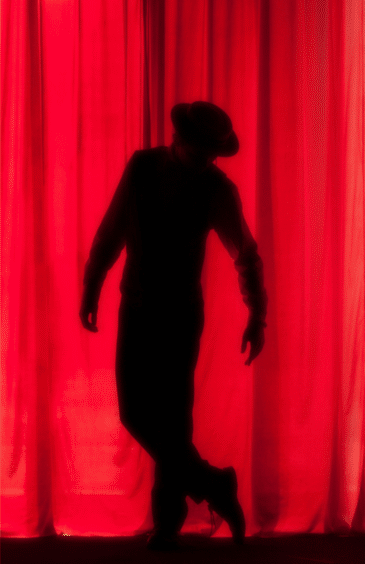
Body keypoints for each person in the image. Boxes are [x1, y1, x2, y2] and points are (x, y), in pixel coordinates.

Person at [80, 101, 267, 551]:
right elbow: (112, 229)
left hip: (181, 313)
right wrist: (92, 283)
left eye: (212, 153)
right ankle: (213, 484)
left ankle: (168, 522)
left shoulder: (216, 189)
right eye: (201, 150)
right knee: (136, 413)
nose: (207, 159)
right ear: (179, 139)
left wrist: (256, 314)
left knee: (173, 420)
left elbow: (245, 254)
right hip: (138, 305)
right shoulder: (142, 168)